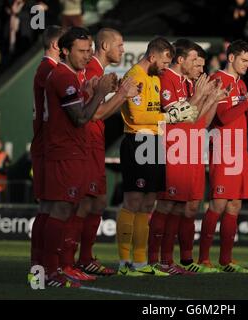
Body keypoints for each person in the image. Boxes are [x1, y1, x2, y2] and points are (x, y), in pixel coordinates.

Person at [41, 26, 116, 287]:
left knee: (65, 209)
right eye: (81, 51)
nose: (87, 56)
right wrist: (100, 92)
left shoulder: (71, 76)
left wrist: (92, 90)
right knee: (61, 209)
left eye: (89, 51)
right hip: (65, 152)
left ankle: (52, 269)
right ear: (64, 50)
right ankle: (52, 271)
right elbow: (81, 117)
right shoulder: (62, 76)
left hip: (72, 151)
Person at [117, 37, 198, 276]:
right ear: (153, 56)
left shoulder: (154, 77)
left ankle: (141, 262)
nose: (166, 66)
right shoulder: (134, 76)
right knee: (133, 202)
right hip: (137, 140)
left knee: (147, 203)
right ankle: (123, 263)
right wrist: (168, 118)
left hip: (154, 141)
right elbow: (137, 117)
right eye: (164, 61)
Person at [66, 28, 139, 277]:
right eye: (119, 45)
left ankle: (83, 258)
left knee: (96, 202)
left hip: (94, 143)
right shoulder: (93, 70)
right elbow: (95, 113)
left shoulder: (98, 70)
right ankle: (69, 261)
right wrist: (122, 95)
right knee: (86, 203)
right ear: (105, 46)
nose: (123, 49)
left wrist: (119, 94)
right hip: (86, 143)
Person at [148, 40, 225, 274]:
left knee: (181, 208)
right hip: (172, 149)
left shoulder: (188, 83)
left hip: (191, 149)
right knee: (166, 205)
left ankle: (169, 261)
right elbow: (182, 117)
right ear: (180, 60)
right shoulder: (167, 79)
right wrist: (202, 96)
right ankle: (153, 260)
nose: (199, 68)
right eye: (195, 62)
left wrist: (211, 98)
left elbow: (201, 121)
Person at [198, 40, 248, 273]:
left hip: (239, 147)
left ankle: (226, 259)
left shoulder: (241, 84)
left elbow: (246, 121)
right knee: (218, 202)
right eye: (244, 60)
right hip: (222, 146)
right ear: (231, 58)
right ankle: (203, 258)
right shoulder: (218, 80)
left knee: (235, 204)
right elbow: (223, 118)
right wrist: (247, 102)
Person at [29, 25, 65, 273]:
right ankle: (46, 268)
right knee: (53, 207)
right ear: (55, 45)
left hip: (45, 144)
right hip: (48, 146)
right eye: (65, 44)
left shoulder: (46, 70)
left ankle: (41, 268)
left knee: (49, 207)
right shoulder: (50, 71)